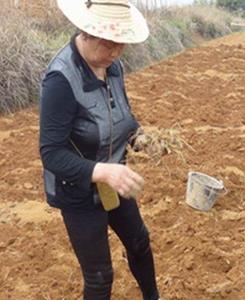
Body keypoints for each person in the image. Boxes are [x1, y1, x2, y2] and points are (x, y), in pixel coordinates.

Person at [39, 0, 161, 299]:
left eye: (121, 44)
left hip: (112, 180)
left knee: (139, 243)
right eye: (109, 43)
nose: (116, 52)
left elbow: (120, 118)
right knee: (99, 276)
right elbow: (51, 153)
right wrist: (102, 171)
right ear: (86, 32)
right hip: (78, 190)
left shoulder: (113, 67)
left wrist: (141, 139)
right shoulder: (61, 79)